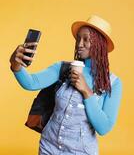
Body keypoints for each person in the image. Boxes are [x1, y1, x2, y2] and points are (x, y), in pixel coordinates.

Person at [10, 15, 122, 155]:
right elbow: (31, 83)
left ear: (100, 44)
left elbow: (103, 127)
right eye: (78, 39)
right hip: (48, 147)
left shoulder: (113, 83)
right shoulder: (63, 68)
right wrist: (16, 66)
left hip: (81, 151)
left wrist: (87, 91)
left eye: (86, 39)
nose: (79, 44)